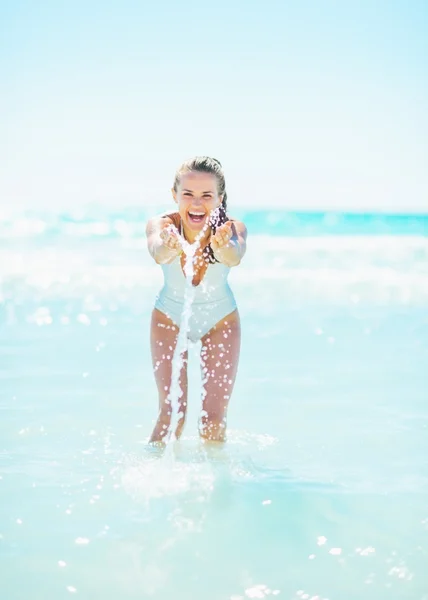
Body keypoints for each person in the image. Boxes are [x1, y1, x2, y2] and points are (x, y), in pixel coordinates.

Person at [145, 156, 247, 444]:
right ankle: (155, 479)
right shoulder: (162, 225)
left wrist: (222, 245)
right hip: (169, 317)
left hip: (220, 320)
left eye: (207, 195)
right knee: (171, 415)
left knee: (212, 421)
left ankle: (217, 484)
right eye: (188, 194)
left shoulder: (232, 229)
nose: (197, 203)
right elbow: (158, 253)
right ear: (175, 195)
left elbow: (233, 257)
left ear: (220, 198)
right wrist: (168, 245)